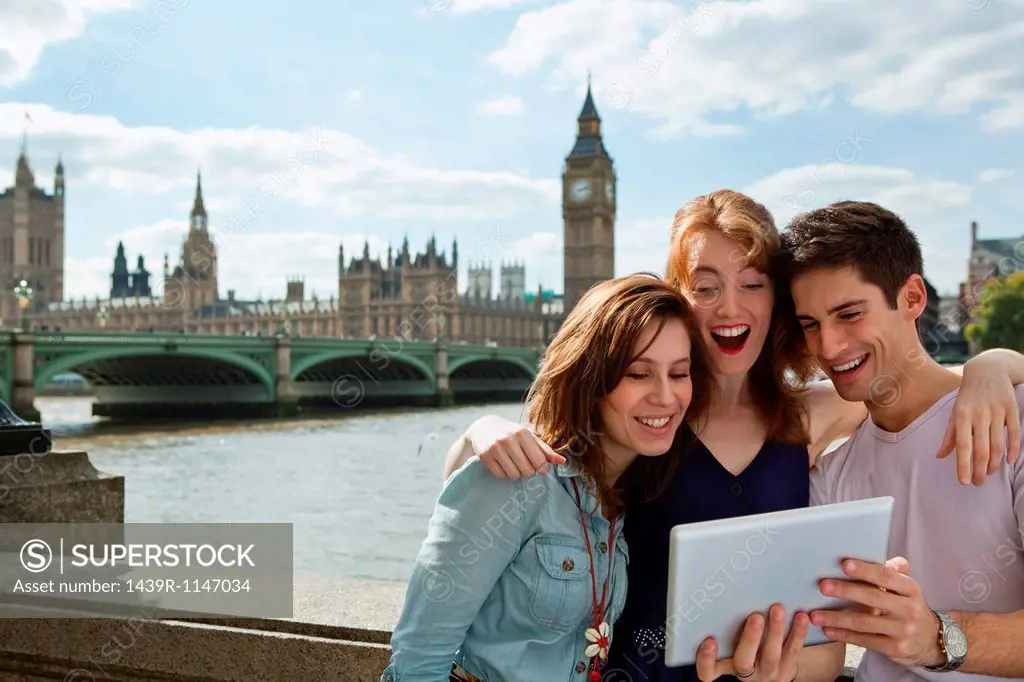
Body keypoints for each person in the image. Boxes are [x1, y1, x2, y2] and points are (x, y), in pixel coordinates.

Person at [442, 190, 1024, 681]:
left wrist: (992, 365)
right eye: (706, 285)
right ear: (677, 295)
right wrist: (480, 430)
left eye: (752, 283)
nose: (730, 307)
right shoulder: (645, 411)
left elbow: (918, 387)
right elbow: (521, 469)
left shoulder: (813, 415)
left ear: (775, 298)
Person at [381, 273, 711, 682]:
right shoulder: (517, 476)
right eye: (638, 374)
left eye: (679, 374)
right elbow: (417, 659)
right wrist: (474, 434)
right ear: (592, 380)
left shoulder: (632, 496)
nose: (665, 395)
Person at [769, 201, 1024, 680]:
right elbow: (824, 637)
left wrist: (938, 637)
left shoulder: (1015, 421)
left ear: (912, 298)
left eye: (849, 314)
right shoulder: (829, 475)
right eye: (810, 325)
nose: (828, 346)